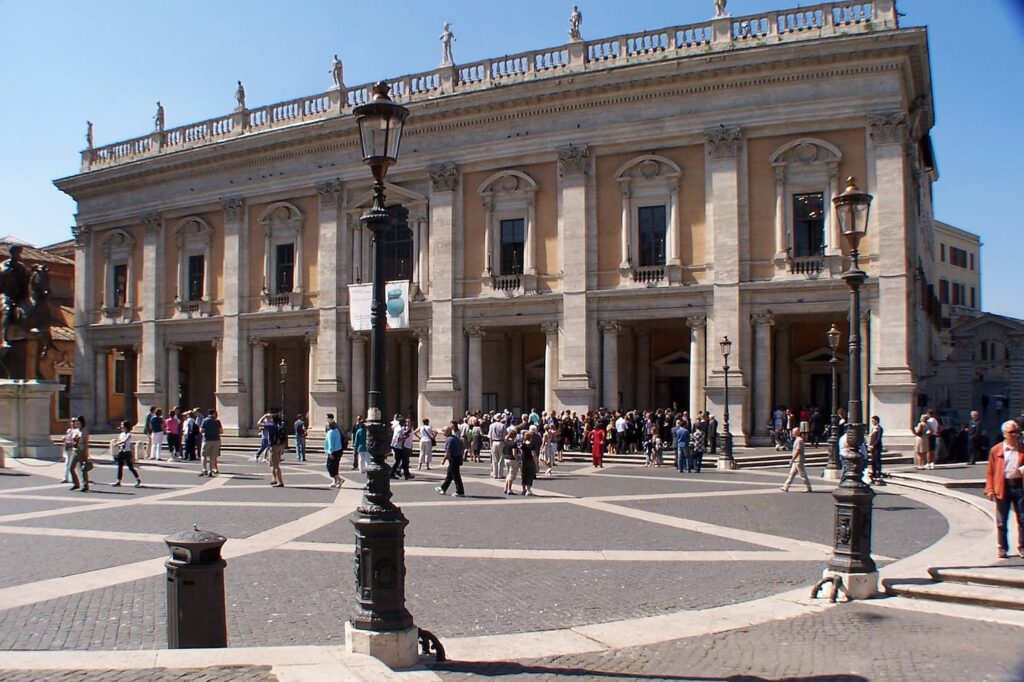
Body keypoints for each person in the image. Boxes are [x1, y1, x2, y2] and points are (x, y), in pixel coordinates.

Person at [984, 420, 1024, 559]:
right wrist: (989, 489)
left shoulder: (1022, 448)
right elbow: (990, 471)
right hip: (1002, 485)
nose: (1015, 434)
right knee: (1001, 520)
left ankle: (1022, 547)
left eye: (1016, 431)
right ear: (1004, 434)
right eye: (1011, 432)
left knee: (1022, 518)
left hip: (1019, 486)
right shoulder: (996, 450)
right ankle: (1002, 547)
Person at [0, 244, 31, 348]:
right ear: (12, 253)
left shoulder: (21, 267)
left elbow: (26, 280)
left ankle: (28, 333)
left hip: (20, 296)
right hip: (6, 295)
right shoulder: (4, 265)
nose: (19, 255)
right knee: (8, 310)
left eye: (20, 253)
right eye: (17, 253)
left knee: (30, 309)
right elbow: (3, 273)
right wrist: (9, 270)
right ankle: (4, 338)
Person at [436, 422, 466, 497]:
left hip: (453, 459)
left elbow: (448, 452)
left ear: (447, 432)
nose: (443, 433)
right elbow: (461, 447)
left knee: (456, 476)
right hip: (457, 457)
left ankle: (460, 491)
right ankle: (443, 488)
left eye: (444, 431)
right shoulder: (455, 438)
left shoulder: (449, 440)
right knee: (450, 475)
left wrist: (443, 461)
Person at [112, 421, 142, 488]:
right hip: (121, 451)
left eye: (122, 425)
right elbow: (120, 441)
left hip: (127, 452)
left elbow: (125, 440)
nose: (121, 426)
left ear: (126, 426)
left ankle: (137, 479)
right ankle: (118, 481)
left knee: (130, 467)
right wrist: (117, 444)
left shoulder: (129, 434)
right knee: (120, 466)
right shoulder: (121, 434)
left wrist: (117, 444)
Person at [781, 427, 812, 493]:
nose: (792, 433)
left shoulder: (799, 440)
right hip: (796, 460)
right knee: (791, 474)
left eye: (793, 432)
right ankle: (785, 486)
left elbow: (797, 450)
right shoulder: (797, 440)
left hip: (798, 460)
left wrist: (792, 459)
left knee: (802, 474)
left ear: (797, 432)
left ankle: (808, 487)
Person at [68, 416, 91, 492]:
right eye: (75, 421)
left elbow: (86, 443)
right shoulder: (75, 431)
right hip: (75, 450)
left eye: (77, 421)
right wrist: (70, 443)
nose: (76, 423)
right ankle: (76, 483)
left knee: (83, 468)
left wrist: (86, 453)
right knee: (71, 467)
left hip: (82, 450)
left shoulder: (84, 431)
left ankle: (85, 485)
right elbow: (72, 440)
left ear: (81, 422)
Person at [324, 413, 345, 488]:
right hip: (339, 449)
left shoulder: (331, 432)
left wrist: (330, 452)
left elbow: (330, 443)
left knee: (330, 466)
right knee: (335, 466)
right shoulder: (337, 429)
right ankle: (335, 481)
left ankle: (339, 479)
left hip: (334, 451)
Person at [199, 409, 221, 476]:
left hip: (207, 440)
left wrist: (205, 432)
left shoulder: (205, 420)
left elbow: (201, 430)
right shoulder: (217, 421)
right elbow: (221, 431)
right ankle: (210, 471)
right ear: (214, 413)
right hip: (216, 440)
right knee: (213, 456)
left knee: (203, 455)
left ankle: (204, 469)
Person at [268, 413, 286, 487]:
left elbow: (258, 424)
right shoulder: (281, 425)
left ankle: (280, 482)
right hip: (279, 445)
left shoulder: (271, 425)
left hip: (273, 446)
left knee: (275, 465)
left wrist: (264, 416)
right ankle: (274, 479)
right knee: (273, 464)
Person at [503, 427, 521, 495]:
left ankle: (506, 487)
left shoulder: (506, 441)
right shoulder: (513, 443)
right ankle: (509, 489)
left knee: (508, 474)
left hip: (506, 458)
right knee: (512, 475)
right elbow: (514, 453)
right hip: (512, 459)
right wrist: (517, 459)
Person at [868, 415, 884, 484]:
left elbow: (878, 438)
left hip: (877, 447)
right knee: (873, 460)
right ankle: (873, 472)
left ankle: (878, 473)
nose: (872, 422)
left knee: (877, 460)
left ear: (876, 421)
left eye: (873, 421)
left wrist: (874, 445)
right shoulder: (873, 428)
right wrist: (870, 444)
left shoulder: (879, 428)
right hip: (872, 447)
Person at [61, 418, 76, 483]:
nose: (72, 423)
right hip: (68, 448)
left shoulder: (78, 431)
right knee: (67, 463)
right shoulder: (69, 430)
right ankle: (65, 477)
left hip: (74, 448)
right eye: (72, 422)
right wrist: (64, 439)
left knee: (76, 465)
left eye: (74, 422)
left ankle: (78, 478)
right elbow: (67, 439)